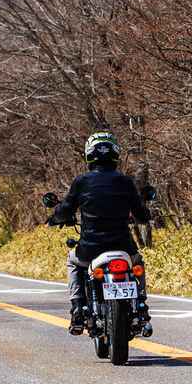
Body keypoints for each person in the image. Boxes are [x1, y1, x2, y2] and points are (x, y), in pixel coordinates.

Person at [48, 131, 152, 335]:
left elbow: (66, 209)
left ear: (89, 155)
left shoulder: (82, 181)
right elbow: (141, 213)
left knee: (73, 261)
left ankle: (77, 308)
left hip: (90, 248)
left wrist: (55, 218)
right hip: (122, 246)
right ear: (115, 154)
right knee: (137, 262)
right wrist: (143, 216)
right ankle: (141, 306)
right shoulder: (125, 182)